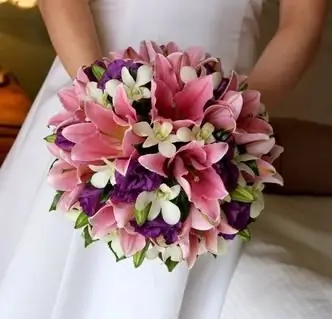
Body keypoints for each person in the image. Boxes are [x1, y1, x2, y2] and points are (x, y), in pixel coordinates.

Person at [0, 1, 329, 318]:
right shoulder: (98, 98)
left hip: (215, 126)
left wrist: (236, 122)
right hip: (91, 85)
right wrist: (105, 103)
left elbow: (301, 22)